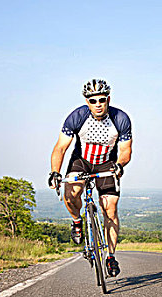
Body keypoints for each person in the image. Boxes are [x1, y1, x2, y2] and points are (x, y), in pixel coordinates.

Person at [48, 79, 132, 277]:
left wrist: (119, 165)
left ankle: (110, 256)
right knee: (71, 194)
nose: (98, 104)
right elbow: (60, 147)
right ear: (87, 102)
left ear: (108, 99)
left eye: (102, 99)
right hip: (81, 161)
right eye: (93, 100)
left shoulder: (120, 118)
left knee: (110, 208)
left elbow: (126, 150)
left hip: (106, 163)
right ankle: (77, 221)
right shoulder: (76, 117)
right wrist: (55, 172)